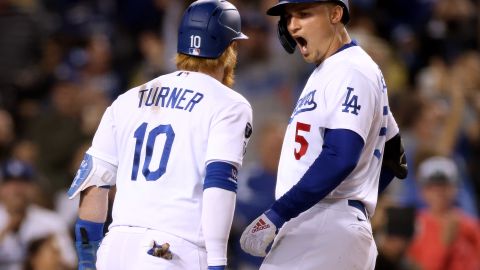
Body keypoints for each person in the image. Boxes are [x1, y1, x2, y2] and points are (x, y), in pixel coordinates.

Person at [67, 1, 252, 270]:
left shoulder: (128, 98)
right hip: (172, 252)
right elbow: (219, 187)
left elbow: (94, 186)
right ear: (231, 48)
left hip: (115, 249)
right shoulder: (230, 104)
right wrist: (218, 263)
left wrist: (86, 262)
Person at [239, 1, 408, 269]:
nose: (293, 25)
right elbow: (394, 155)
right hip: (323, 223)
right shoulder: (332, 70)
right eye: (289, 18)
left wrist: (280, 213)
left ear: (335, 13)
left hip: (324, 224)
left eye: (304, 14)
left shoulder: (351, 69)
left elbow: (341, 156)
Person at [0, 159, 76, 270]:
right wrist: (6, 230)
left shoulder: (51, 222)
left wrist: (48, 256)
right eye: (10, 183)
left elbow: (70, 263)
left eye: (23, 182)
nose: (16, 190)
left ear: (34, 188)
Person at [407, 156, 480, 270]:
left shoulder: (470, 225)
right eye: (431, 186)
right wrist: (445, 244)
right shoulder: (412, 225)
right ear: (422, 191)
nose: (438, 192)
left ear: (455, 188)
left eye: (444, 185)